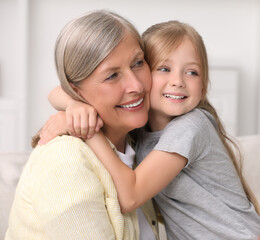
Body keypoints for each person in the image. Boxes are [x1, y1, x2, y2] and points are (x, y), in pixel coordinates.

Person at [43, 20, 260, 240]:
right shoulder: (139, 133)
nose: (178, 81)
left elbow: (130, 197)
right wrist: (74, 106)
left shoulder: (192, 126)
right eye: (164, 68)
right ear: (144, 78)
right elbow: (56, 92)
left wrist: (88, 129)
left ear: (203, 88)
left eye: (192, 72)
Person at [5, 10, 160, 240]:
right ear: (76, 91)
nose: (136, 85)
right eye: (112, 76)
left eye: (138, 63)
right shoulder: (64, 159)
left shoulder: (140, 142)